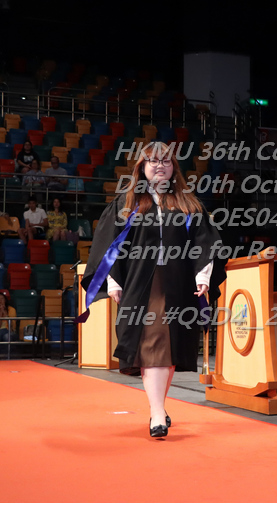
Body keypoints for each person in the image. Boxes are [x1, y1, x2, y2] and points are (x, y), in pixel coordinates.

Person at [81, 141, 226, 438]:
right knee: (151, 342)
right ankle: (158, 413)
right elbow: (111, 245)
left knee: (167, 345)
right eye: (153, 161)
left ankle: (157, 408)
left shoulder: (188, 204)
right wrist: (113, 281)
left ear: (174, 168)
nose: (160, 166)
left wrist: (203, 275)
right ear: (142, 167)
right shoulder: (127, 203)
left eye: (166, 161)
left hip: (178, 283)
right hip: (140, 283)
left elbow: (205, 242)